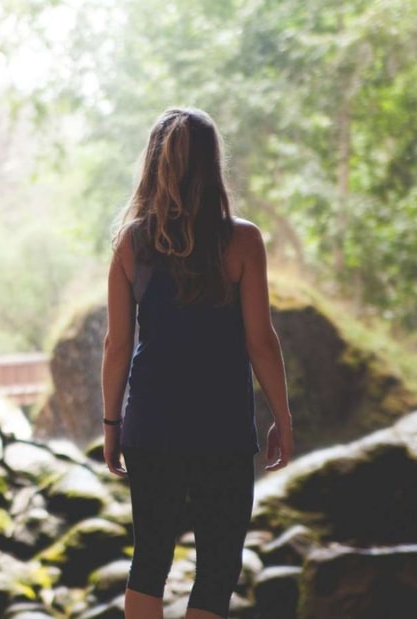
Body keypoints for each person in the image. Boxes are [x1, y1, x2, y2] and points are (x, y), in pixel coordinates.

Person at [100, 107, 294, 619]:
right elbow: (261, 342)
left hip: (150, 423)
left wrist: (111, 423)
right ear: (212, 165)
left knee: (150, 556)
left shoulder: (131, 242)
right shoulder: (243, 241)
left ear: (155, 163)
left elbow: (116, 346)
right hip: (221, 429)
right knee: (217, 563)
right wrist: (282, 417)